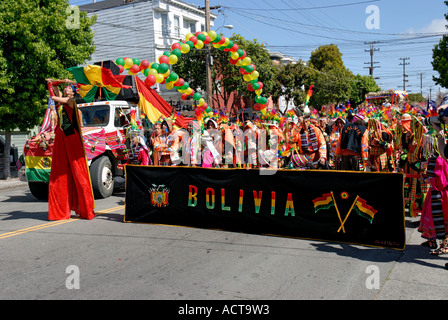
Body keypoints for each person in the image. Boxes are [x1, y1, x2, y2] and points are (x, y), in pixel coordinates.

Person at [45, 78, 95, 220]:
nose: (66, 89)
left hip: (71, 136)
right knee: (59, 170)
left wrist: (53, 83)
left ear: (73, 93)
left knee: (77, 170)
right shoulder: (62, 101)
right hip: (61, 135)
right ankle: (61, 210)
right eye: (65, 88)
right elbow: (55, 89)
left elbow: (53, 96)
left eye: (68, 88)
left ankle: (85, 207)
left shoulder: (71, 102)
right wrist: (58, 81)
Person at [419, 108, 448, 256]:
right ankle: (433, 240)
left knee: (442, 217)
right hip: (438, 192)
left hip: (441, 192)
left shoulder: (437, 159)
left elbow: (441, 179)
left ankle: (444, 243)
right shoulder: (436, 158)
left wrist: (427, 178)